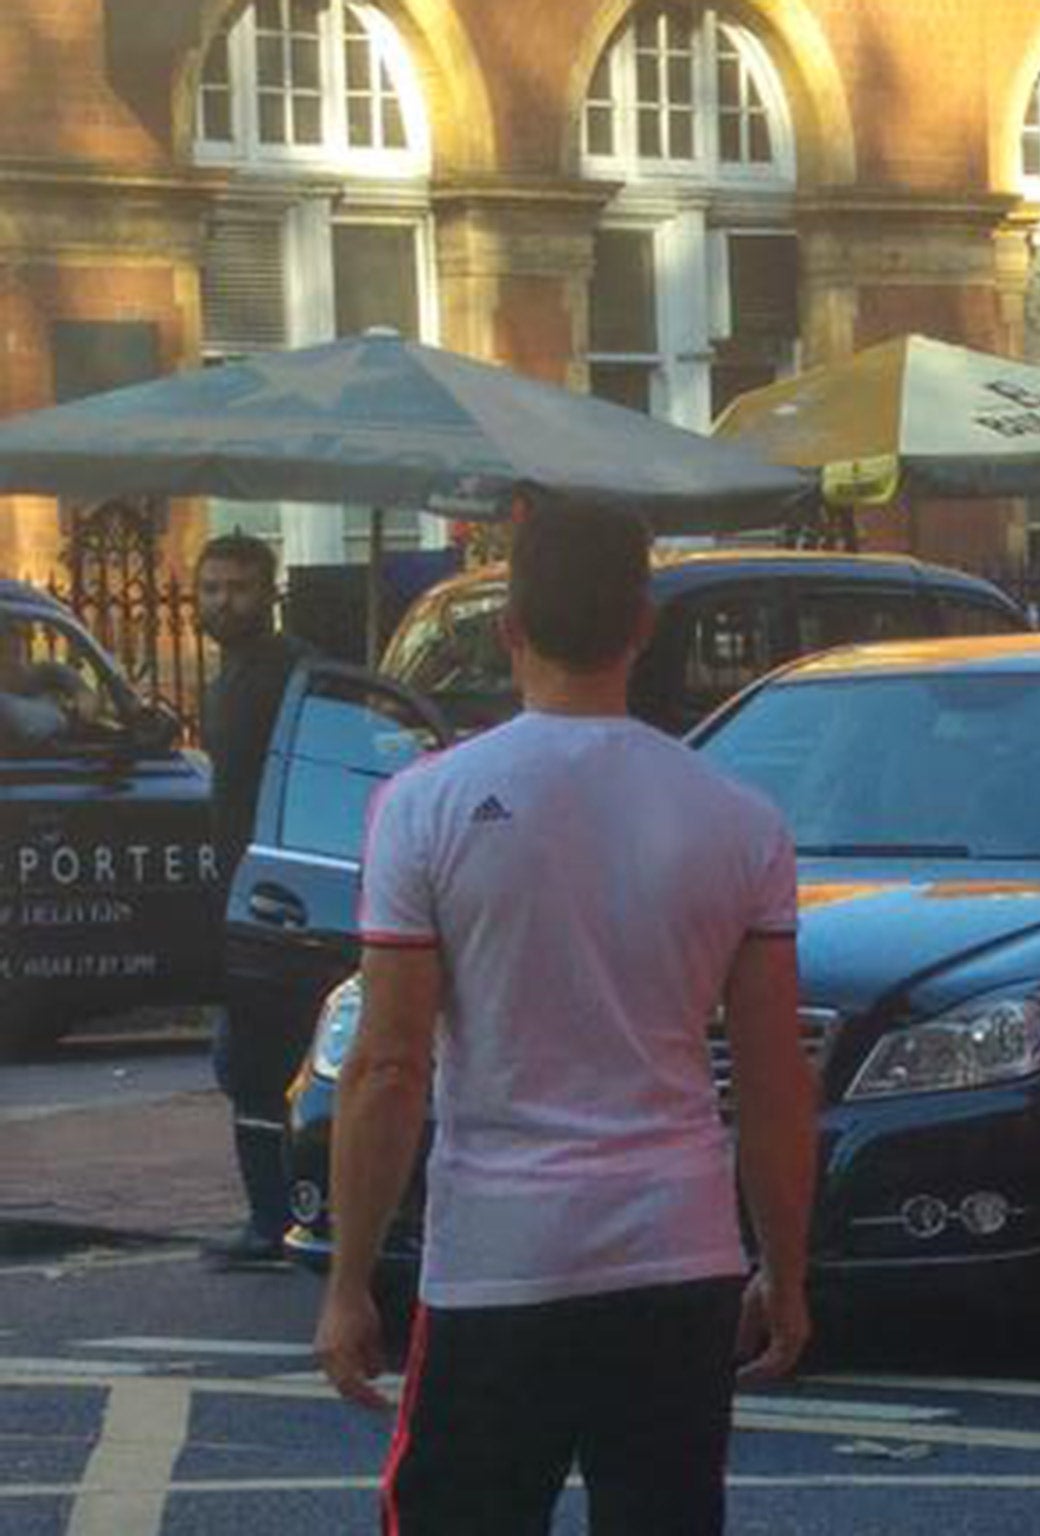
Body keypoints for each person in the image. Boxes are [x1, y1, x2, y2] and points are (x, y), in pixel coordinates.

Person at [314, 503, 817, 1534]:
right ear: (643, 623)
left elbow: (388, 1069)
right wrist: (786, 1268)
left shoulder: (424, 806)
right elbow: (772, 1080)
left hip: (501, 1258)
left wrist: (349, 1279)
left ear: (508, 627)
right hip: (676, 1250)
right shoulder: (740, 822)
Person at [195, 532, 315, 1268]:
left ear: (268, 592)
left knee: (258, 1060)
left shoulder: (289, 672)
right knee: (245, 1061)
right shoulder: (227, 678)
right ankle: (270, 1212)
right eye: (210, 587)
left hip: (280, 898)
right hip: (241, 893)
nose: (221, 602)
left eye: (237, 587)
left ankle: (274, 1216)